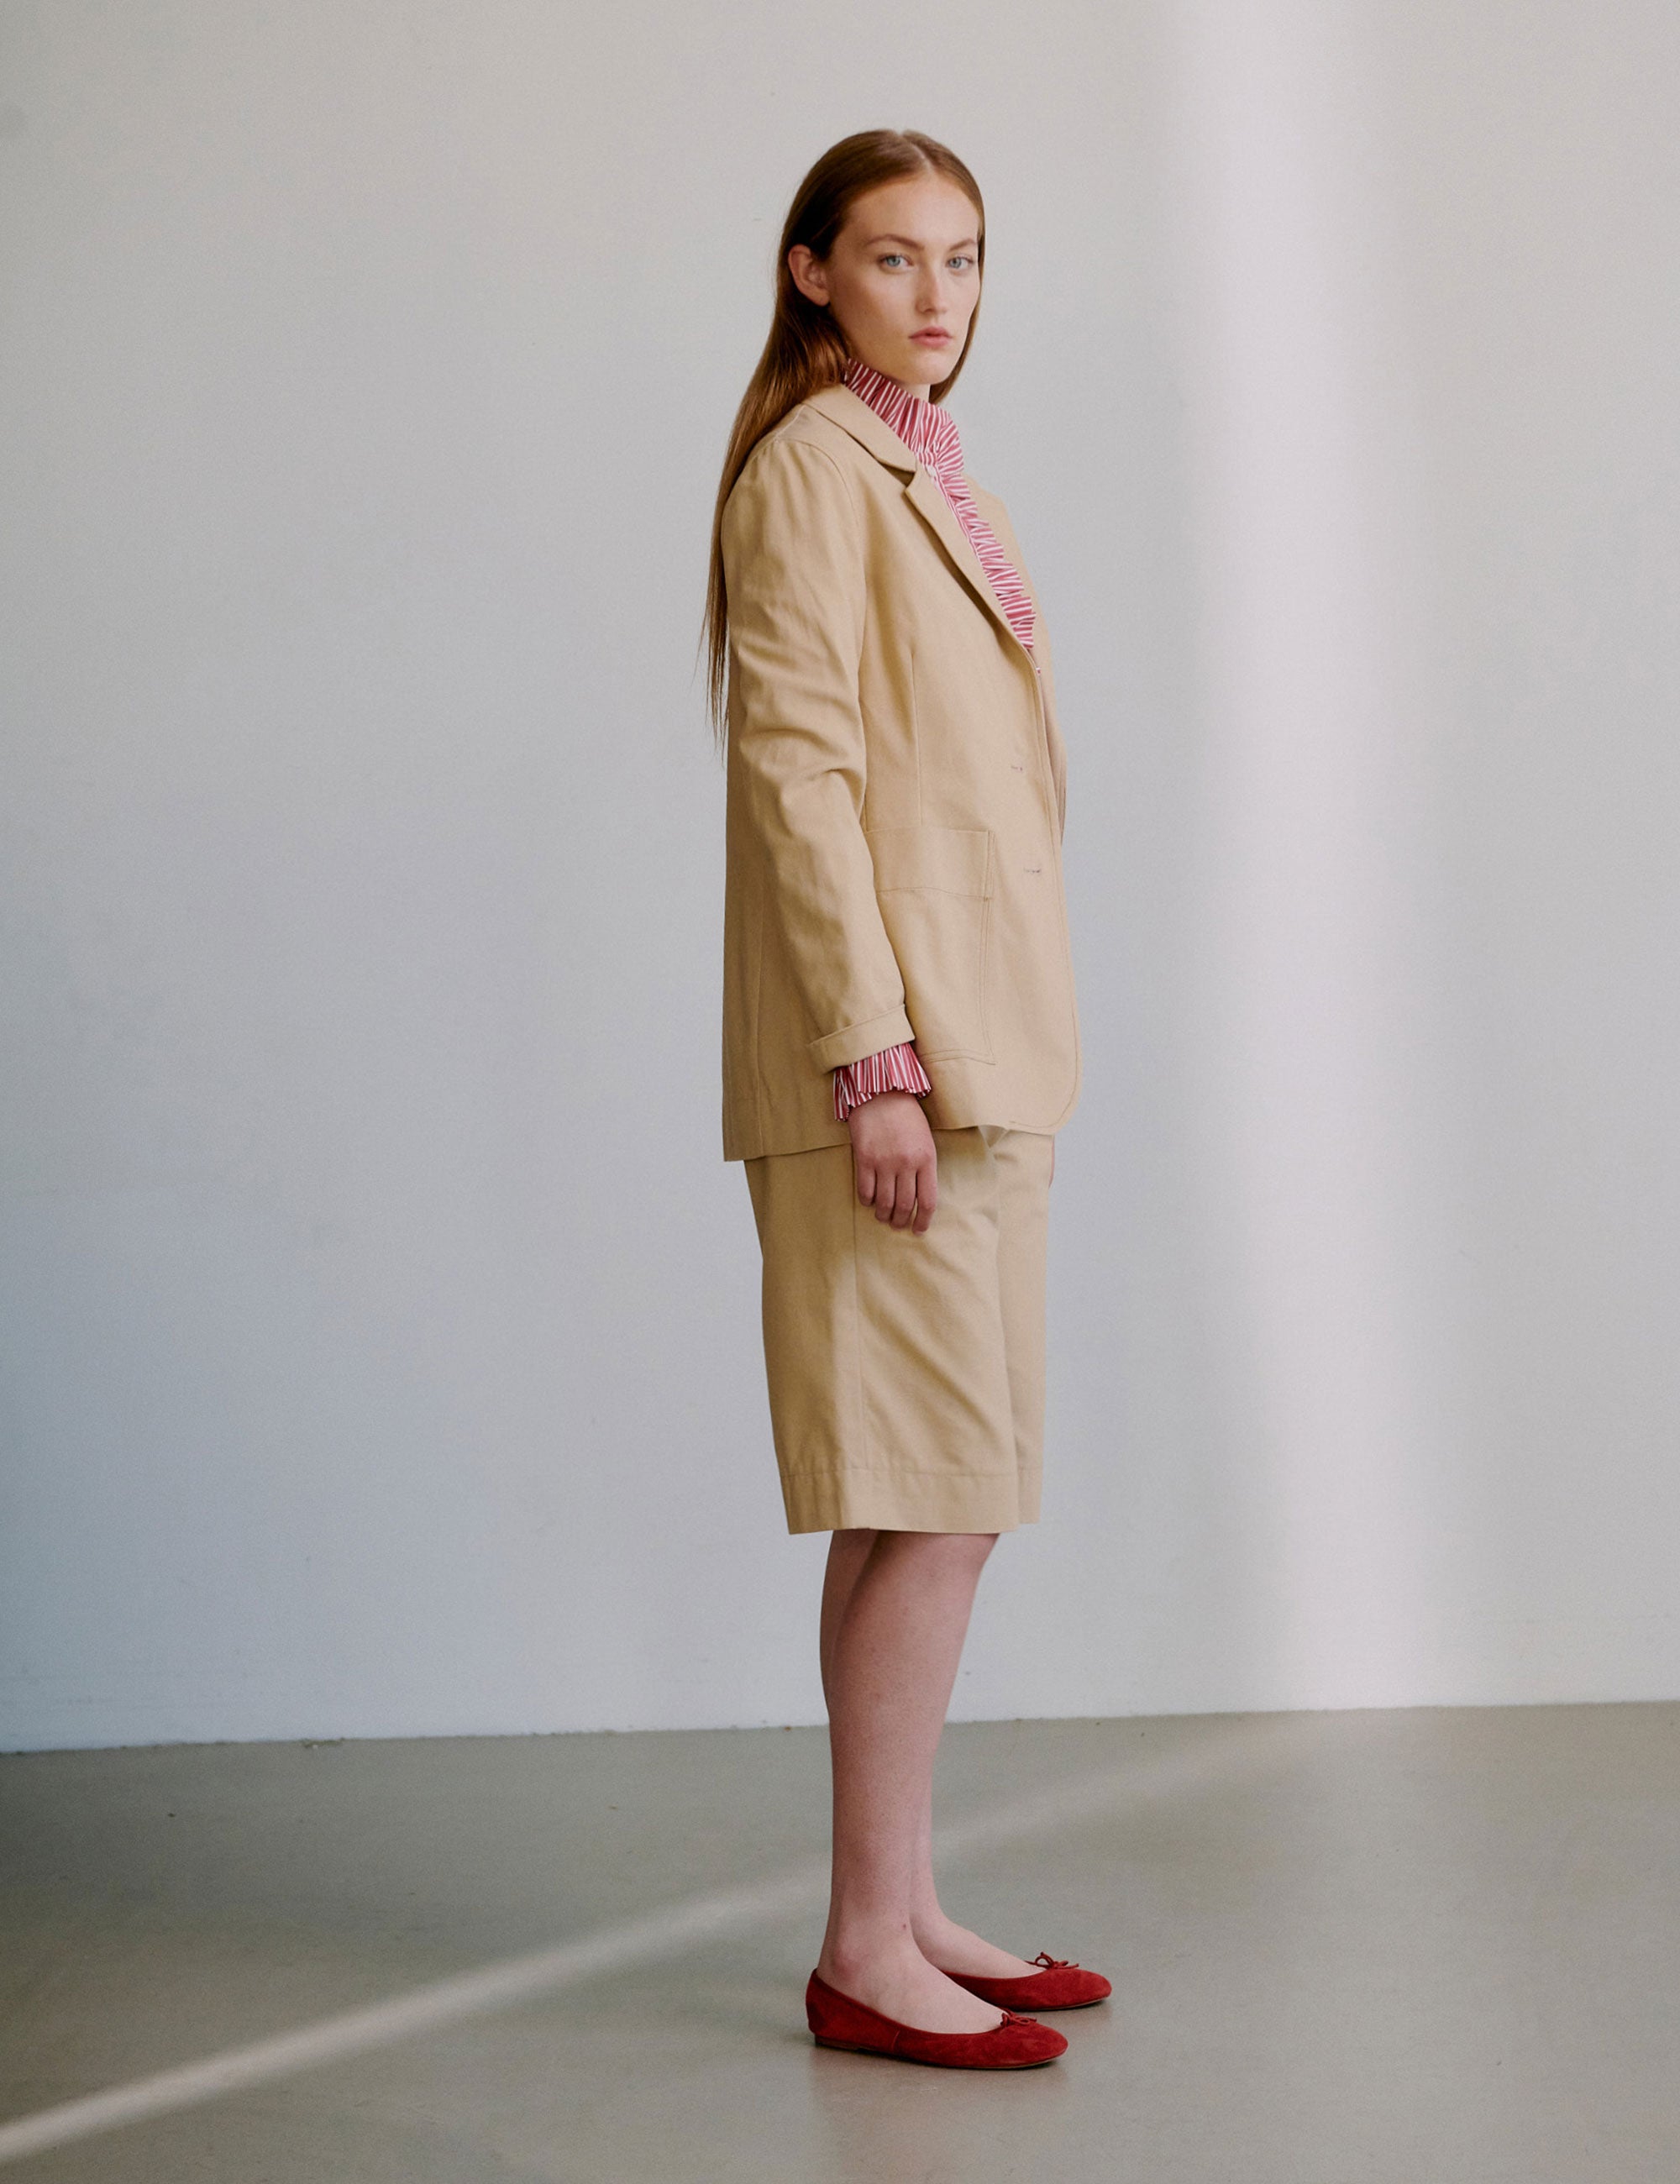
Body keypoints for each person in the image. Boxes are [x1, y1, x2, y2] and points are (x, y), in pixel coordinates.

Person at [702, 129, 1106, 2071]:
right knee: (926, 1500)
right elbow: (799, 778)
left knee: (932, 1499)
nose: (937, 295)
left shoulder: (935, 471)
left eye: (962, 258)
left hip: (984, 1053)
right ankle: (866, 1946)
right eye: (891, 257)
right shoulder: (810, 471)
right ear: (811, 271)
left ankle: (903, 1904)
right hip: (901, 1071)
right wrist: (870, 1061)